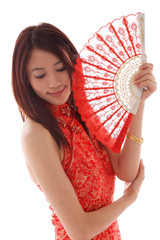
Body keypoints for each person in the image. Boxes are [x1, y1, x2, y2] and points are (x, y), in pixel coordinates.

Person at [11, 23, 156, 240]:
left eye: (60, 68)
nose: (55, 82)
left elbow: (126, 171)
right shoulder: (36, 134)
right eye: (40, 75)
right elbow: (80, 231)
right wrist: (129, 198)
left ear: (72, 63)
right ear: (26, 81)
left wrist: (138, 103)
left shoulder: (82, 110)